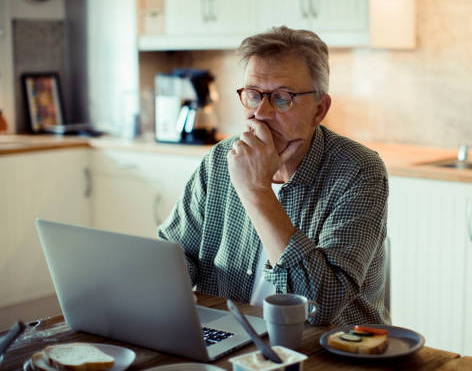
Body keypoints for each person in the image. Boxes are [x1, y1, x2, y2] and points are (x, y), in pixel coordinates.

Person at [158, 26, 388, 326]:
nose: (261, 113)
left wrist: (256, 191)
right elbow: (176, 254)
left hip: (327, 351)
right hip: (232, 338)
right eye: (254, 96)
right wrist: (160, 286)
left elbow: (320, 307)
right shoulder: (219, 160)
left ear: (319, 109)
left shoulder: (358, 171)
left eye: (282, 98)